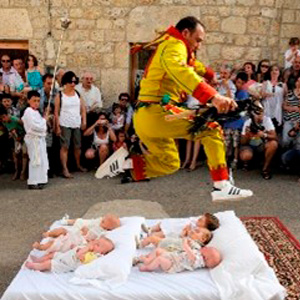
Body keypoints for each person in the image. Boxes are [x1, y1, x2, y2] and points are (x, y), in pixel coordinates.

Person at [119, 16, 253, 201]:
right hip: (157, 113)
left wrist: (209, 74)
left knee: (171, 163)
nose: (198, 46)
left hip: (147, 118)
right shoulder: (175, 45)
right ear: (185, 33)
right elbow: (180, 69)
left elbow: (191, 65)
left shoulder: (172, 45)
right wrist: (213, 96)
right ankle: (221, 185)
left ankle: (126, 166)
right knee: (211, 130)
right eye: (197, 40)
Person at [54, 71, 87, 178]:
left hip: (76, 123)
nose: (73, 84)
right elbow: (56, 112)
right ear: (65, 82)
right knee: (65, 147)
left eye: (74, 82)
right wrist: (57, 126)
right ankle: (65, 169)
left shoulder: (77, 94)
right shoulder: (60, 95)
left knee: (77, 146)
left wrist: (84, 121)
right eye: (70, 82)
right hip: (65, 123)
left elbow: (83, 109)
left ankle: (78, 165)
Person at [25, 237, 114, 273]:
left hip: (65, 264)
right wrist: (75, 247)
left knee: (48, 263)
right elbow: (77, 249)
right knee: (52, 254)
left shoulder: (93, 257)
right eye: (96, 242)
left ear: (101, 253)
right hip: (65, 257)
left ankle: (35, 266)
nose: (94, 244)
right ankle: (38, 260)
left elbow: (79, 255)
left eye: (97, 245)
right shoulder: (90, 249)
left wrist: (87, 247)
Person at [239, 101, 278, 179]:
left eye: (260, 111)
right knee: (246, 156)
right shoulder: (248, 122)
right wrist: (247, 135)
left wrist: (264, 135)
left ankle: (265, 168)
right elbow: (243, 142)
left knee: (273, 144)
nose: (259, 115)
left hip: (261, 145)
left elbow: (275, 137)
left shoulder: (267, 120)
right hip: (250, 145)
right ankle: (248, 163)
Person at [22, 91, 49, 189]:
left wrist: (43, 122)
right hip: (33, 139)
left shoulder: (36, 112)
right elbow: (34, 126)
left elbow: (42, 126)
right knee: (35, 159)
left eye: (38, 101)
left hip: (39, 139)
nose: (36, 103)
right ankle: (33, 181)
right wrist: (44, 121)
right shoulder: (28, 111)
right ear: (29, 101)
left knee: (41, 159)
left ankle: (41, 179)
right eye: (34, 101)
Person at [137, 241, 221, 273]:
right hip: (173, 256)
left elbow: (192, 257)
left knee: (159, 259)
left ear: (206, 257)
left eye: (208, 249)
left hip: (173, 264)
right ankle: (148, 260)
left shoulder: (199, 261)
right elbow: (193, 247)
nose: (206, 247)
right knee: (158, 250)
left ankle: (147, 267)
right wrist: (189, 242)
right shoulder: (198, 251)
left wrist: (185, 245)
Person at [223, 72, 249, 169]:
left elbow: (239, 108)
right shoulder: (232, 90)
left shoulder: (243, 94)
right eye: (238, 82)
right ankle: (225, 160)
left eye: (242, 83)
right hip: (228, 121)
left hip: (238, 122)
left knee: (236, 143)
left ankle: (235, 160)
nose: (239, 85)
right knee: (226, 142)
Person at [0, 103, 27, 180]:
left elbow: (26, 128)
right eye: (1, 119)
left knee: (24, 155)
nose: (3, 120)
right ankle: (17, 171)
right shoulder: (3, 122)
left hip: (24, 138)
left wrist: (21, 137)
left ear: (7, 114)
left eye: (4, 117)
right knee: (16, 155)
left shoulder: (15, 120)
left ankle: (23, 172)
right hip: (15, 139)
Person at [261, 65, 286, 132]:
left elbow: (285, 97)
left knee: (277, 129)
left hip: (278, 110)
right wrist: (267, 94)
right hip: (267, 108)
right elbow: (261, 95)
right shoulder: (265, 83)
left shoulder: (283, 85)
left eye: (276, 70)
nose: (274, 72)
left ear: (279, 72)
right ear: (269, 72)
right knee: (267, 128)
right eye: (272, 70)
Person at [282, 76, 300, 148]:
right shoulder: (289, 93)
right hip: (289, 119)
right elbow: (284, 106)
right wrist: (293, 108)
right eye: (298, 81)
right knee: (285, 140)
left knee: (297, 143)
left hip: (299, 121)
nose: (299, 83)